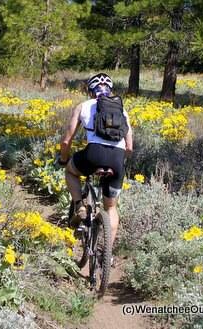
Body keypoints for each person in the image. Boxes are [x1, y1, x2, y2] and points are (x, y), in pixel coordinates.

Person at [57, 73, 133, 253]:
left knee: (70, 172)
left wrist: (64, 159)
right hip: (117, 158)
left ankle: (79, 205)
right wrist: (118, 164)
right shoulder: (122, 110)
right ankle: (107, 253)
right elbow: (129, 147)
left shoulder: (83, 106)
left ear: (91, 91)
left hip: (93, 155)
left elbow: (66, 141)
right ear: (111, 90)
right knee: (111, 207)